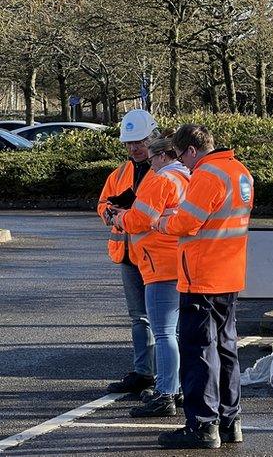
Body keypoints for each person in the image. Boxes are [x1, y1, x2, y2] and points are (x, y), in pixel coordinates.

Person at [155, 124, 253, 450]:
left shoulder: (207, 175)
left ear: (192, 150)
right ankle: (230, 421)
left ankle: (201, 425)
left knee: (198, 352)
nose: (183, 164)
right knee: (226, 349)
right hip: (229, 273)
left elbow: (186, 222)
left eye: (182, 157)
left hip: (201, 275)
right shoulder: (239, 172)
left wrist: (160, 221)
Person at [112, 133, 191, 417]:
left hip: (159, 264)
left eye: (154, 159)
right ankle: (178, 387)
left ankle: (165, 393)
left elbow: (140, 219)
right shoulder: (188, 178)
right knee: (178, 332)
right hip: (182, 262)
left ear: (161, 156)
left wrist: (118, 217)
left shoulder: (161, 179)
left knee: (164, 333)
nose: (152, 165)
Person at [98, 109, 158, 394]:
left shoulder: (163, 171)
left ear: (153, 137)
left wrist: (129, 214)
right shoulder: (119, 173)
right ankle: (144, 372)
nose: (134, 147)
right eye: (129, 143)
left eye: (140, 141)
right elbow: (102, 204)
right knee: (139, 318)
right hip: (128, 255)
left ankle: (165, 377)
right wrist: (109, 214)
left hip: (156, 256)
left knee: (162, 320)